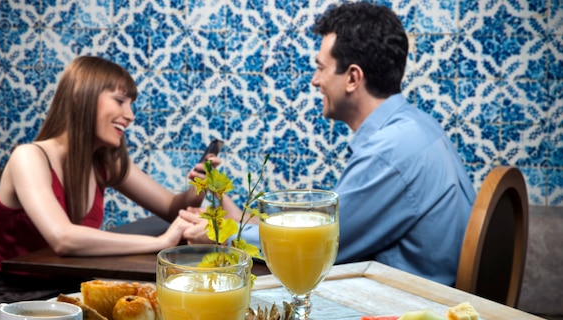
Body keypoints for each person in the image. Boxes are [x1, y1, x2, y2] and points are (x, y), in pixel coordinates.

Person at [182, 1, 475, 286]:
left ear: (352, 78)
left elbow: (318, 247)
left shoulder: (391, 151)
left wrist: (222, 234)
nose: (314, 80)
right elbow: (318, 229)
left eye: (321, 68)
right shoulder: (417, 128)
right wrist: (228, 215)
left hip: (406, 314)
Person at [0, 55, 213, 308]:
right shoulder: (28, 157)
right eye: (120, 101)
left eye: (131, 104)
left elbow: (171, 207)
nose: (130, 115)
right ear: (82, 95)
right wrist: (162, 242)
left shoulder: (103, 162)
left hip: (70, 293)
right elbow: (63, 238)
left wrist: (198, 187)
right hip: (16, 299)